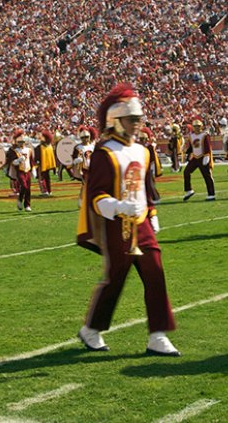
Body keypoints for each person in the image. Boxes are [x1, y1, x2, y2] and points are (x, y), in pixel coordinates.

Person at [76, 84, 178, 356]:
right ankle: (91, 329)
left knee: (155, 272)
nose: (137, 124)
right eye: (132, 119)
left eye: (138, 119)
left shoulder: (143, 151)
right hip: (117, 224)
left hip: (141, 222)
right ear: (115, 120)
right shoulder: (104, 152)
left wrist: (152, 214)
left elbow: (148, 188)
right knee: (116, 277)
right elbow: (96, 195)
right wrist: (118, 206)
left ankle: (158, 334)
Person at [182, 117, 216, 201]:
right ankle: (189, 190)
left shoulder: (205, 135)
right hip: (195, 157)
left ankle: (211, 194)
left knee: (207, 176)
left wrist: (207, 156)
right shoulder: (191, 136)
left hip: (203, 157)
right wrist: (186, 150)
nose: (196, 128)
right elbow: (192, 147)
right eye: (195, 126)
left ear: (201, 126)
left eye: (198, 126)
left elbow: (207, 146)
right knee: (186, 172)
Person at [10, 131, 33, 212]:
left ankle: (27, 205)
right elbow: (12, 162)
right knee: (24, 186)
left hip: (28, 170)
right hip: (20, 171)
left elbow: (31, 161)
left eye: (22, 142)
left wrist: (33, 170)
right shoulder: (15, 151)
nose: (21, 143)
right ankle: (20, 199)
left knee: (28, 188)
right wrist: (19, 160)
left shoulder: (29, 150)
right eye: (19, 142)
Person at [35, 130, 57, 197]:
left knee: (42, 178)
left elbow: (37, 157)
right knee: (47, 178)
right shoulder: (50, 146)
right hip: (48, 165)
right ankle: (49, 191)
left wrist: (35, 163)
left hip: (42, 165)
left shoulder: (40, 147)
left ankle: (45, 191)